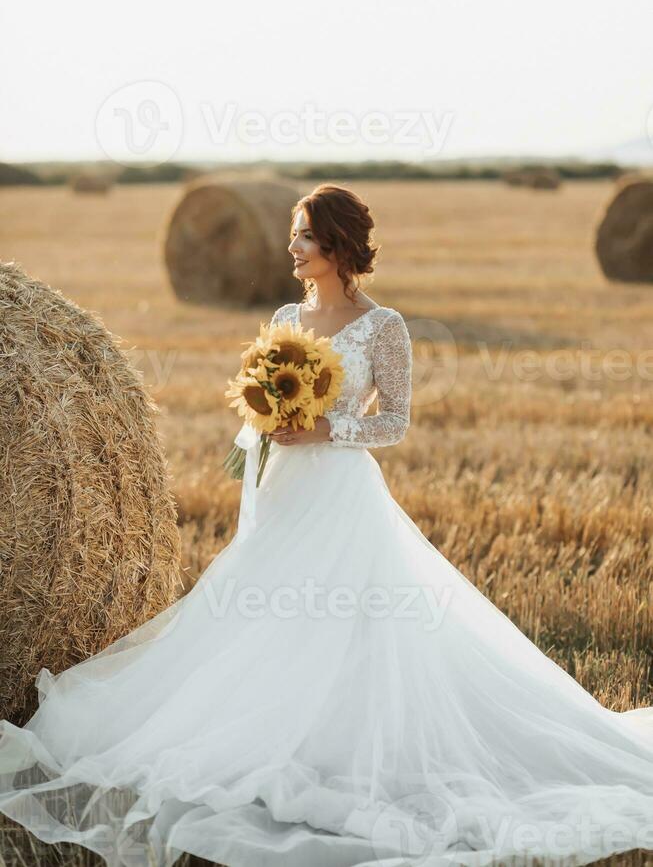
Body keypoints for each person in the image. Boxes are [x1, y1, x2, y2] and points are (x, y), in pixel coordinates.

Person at [1, 183, 653, 867]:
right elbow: (266, 394)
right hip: (284, 489)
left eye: (303, 237)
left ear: (338, 247)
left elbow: (394, 420)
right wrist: (261, 422)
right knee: (259, 612)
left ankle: (338, 745)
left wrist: (322, 429)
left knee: (347, 616)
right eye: (289, 235)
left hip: (340, 489)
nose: (291, 248)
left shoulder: (384, 326)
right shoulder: (287, 313)